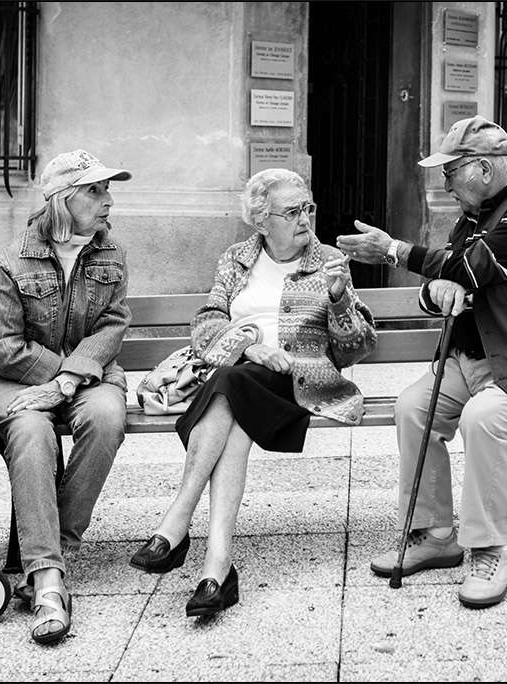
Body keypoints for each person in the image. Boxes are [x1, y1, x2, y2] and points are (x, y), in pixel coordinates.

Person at [336, 115, 507, 609]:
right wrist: (437, 291)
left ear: (480, 168)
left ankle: (492, 548)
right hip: (473, 358)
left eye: (450, 172)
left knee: (485, 419)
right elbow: (444, 291)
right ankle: (434, 535)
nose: (445, 183)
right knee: (413, 407)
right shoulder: (471, 218)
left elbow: (472, 268)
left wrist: (392, 250)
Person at [129, 168, 376, 618]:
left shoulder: (328, 263)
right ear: (261, 221)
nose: (305, 219)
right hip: (244, 382)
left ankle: (177, 521)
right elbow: (206, 325)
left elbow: (354, 348)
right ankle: (216, 570)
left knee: (232, 383)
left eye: (308, 208)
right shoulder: (236, 259)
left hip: (299, 384)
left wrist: (339, 298)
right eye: (292, 211)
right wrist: (252, 348)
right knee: (236, 401)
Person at [0, 150, 133, 644]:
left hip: (86, 376)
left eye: (107, 190)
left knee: (108, 416)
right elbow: (2, 346)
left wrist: (66, 382)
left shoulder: (112, 253)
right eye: (96, 190)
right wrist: (51, 380)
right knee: (30, 429)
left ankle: (51, 552)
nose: (108, 200)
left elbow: (113, 325)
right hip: (17, 380)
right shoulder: (14, 258)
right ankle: (47, 580)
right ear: (63, 200)